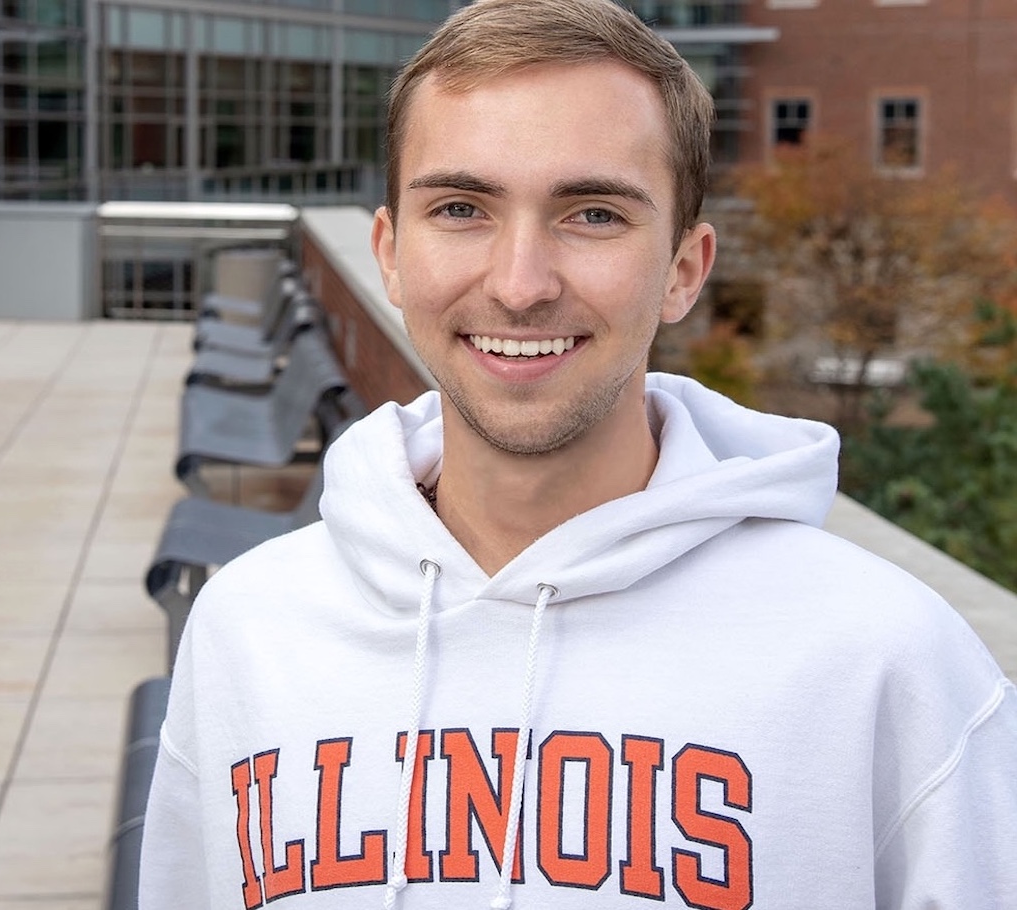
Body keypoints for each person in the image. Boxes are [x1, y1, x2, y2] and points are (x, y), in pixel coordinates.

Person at [139, 0, 1017, 906]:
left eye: (593, 214)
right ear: (390, 255)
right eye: (461, 208)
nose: (520, 286)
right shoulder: (249, 629)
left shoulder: (889, 662)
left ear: (684, 268)